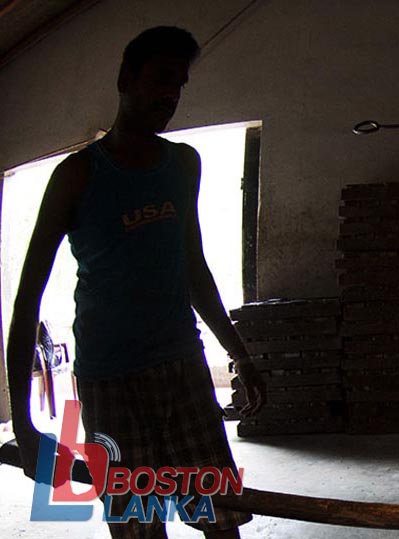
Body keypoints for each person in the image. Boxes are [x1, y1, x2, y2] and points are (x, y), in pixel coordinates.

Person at [6, 26, 265, 538]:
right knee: (139, 527)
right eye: (160, 79)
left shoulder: (182, 165)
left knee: (220, 520)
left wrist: (240, 354)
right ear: (126, 80)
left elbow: (193, 267)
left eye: (180, 84)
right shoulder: (76, 177)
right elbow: (27, 300)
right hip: (110, 382)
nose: (171, 96)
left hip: (182, 370)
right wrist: (24, 424)